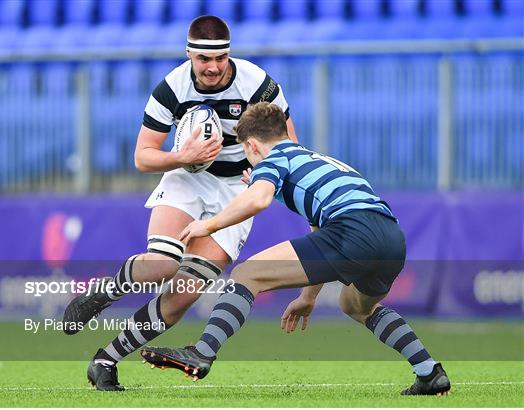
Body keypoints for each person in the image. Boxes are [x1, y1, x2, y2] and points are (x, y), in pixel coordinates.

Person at [140, 102, 451, 396]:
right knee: (356, 306)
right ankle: (428, 372)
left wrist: (209, 225)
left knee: (247, 274)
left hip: (354, 228)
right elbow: (320, 231)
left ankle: (201, 353)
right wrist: (307, 297)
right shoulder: (314, 158)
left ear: (251, 146)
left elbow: (258, 199)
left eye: (247, 153)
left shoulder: (274, 158)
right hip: (391, 237)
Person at [62, 16, 297, 391]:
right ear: (189, 54)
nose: (214, 66)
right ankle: (105, 292)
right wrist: (181, 155)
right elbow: (143, 157)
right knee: (162, 264)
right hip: (186, 177)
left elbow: (287, 144)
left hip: (236, 188)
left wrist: (266, 173)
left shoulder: (258, 83)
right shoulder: (171, 88)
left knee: (182, 296)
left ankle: (105, 360)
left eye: (220, 58)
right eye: (204, 58)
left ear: (229, 54)